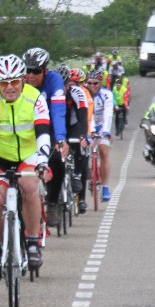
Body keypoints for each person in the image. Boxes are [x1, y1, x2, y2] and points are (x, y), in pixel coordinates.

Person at [0, 53, 52, 281]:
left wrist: (43, 161)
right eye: (3, 83)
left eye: (14, 81)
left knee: (29, 186)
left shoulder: (35, 98)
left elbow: (43, 133)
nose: (9, 87)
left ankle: (33, 242)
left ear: (22, 79)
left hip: (28, 154)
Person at [22, 47, 67, 217]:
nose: (31, 75)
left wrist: (60, 138)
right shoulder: (20, 82)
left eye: (36, 71)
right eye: (28, 71)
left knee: (57, 159)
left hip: (50, 126)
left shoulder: (54, 80)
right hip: (26, 127)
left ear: (45, 70)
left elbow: (58, 110)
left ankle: (53, 202)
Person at [61, 65, 91, 214]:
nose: (65, 87)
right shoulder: (52, 93)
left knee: (81, 149)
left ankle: (81, 195)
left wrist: (83, 135)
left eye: (68, 84)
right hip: (60, 125)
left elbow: (83, 116)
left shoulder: (77, 92)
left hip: (74, 124)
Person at [87, 71, 114, 202]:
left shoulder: (107, 94)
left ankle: (105, 186)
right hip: (89, 125)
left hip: (102, 125)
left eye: (95, 83)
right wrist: (91, 131)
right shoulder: (84, 94)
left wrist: (105, 131)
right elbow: (87, 115)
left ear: (100, 83)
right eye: (90, 83)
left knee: (103, 151)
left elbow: (108, 114)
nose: (92, 86)